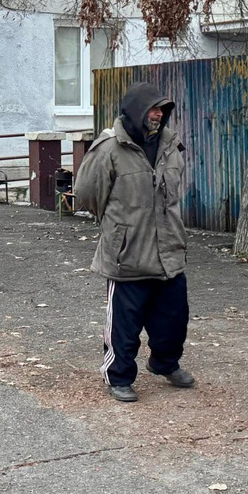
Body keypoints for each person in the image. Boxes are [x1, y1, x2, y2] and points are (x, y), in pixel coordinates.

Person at [75, 81, 195, 403]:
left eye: (161, 109)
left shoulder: (171, 145)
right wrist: (120, 228)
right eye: (152, 109)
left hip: (167, 251)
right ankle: (119, 377)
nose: (158, 115)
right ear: (135, 112)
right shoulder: (109, 148)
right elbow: (87, 195)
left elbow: (172, 194)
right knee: (124, 329)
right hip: (127, 256)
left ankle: (165, 363)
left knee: (174, 319)